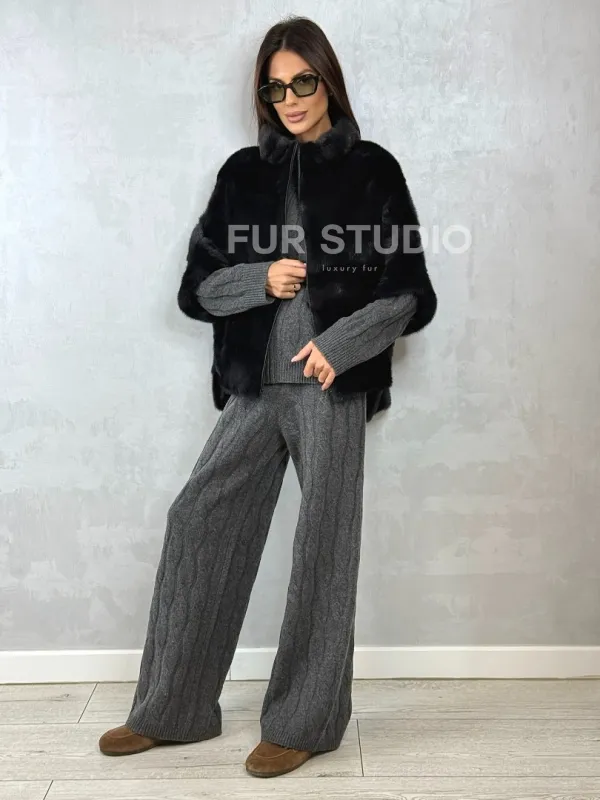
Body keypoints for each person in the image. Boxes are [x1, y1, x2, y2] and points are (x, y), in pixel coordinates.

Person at [99, 15, 437, 779]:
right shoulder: (241, 175)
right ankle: (173, 710)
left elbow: (409, 291)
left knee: (323, 546)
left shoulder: (372, 170)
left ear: (328, 81)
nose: (291, 99)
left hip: (329, 386)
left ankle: (304, 722)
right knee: (198, 517)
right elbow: (197, 288)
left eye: (303, 82)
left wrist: (340, 345)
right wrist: (263, 278)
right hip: (255, 385)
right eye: (276, 88)